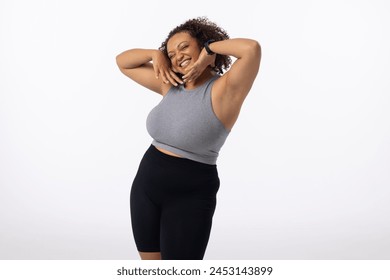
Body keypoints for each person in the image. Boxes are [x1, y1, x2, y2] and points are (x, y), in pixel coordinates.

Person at [116, 17, 261, 260]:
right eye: (171, 53)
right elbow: (123, 62)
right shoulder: (170, 83)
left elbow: (251, 49)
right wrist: (155, 54)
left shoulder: (227, 89)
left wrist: (210, 48)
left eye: (184, 47)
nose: (177, 56)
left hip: (190, 194)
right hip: (146, 188)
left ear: (202, 46)